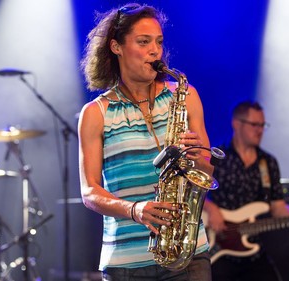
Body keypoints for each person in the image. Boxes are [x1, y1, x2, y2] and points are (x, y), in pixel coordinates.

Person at [78, 3, 214, 281]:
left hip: (188, 252)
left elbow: (207, 171)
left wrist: (197, 157)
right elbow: (89, 192)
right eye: (143, 42)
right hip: (126, 263)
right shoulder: (95, 113)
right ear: (116, 47)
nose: (155, 50)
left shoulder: (185, 96)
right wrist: (134, 209)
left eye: (159, 42)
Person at [204, 101, 289, 281]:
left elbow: (278, 208)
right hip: (219, 249)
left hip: (254, 250)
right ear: (236, 124)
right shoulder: (217, 157)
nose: (260, 130)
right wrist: (210, 208)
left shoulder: (267, 162)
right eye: (254, 124)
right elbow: (193, 195)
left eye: (262, 125)